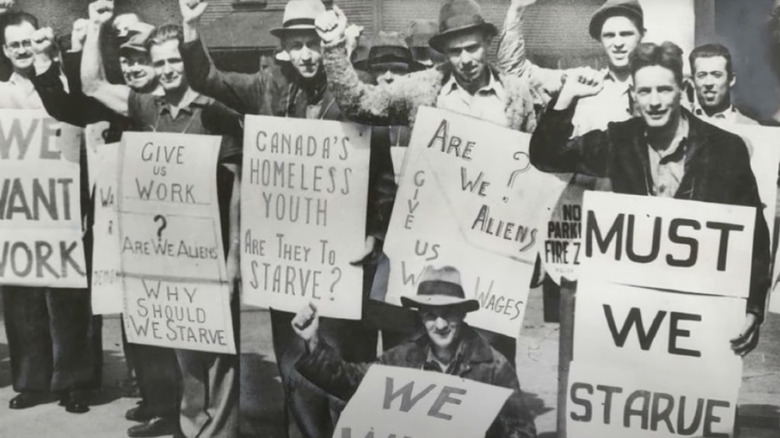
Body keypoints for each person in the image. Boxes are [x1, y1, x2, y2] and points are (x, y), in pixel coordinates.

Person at [179, 1, 379, 437]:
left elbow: (379, 171)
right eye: (298, 45)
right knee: (295, 366)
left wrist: (374, 235)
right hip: (287, 257)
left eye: (313, 43)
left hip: (341, 257)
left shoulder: (354, 87)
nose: (307, 54)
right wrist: (191, 28)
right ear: (284, 48)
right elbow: (206, 79)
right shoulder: (267, 86)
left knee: (345, 366)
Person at [529, 41, 770, 356]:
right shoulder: (618, 141)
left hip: (700, 313)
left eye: (664, 90)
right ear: (633, 94)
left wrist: (753, 308)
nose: (654, 102)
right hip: (634, 317)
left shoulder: (726, 149)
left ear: (683, 89)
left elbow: (754, 235)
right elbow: (546, 156)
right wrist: (566, 98)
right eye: (644, 92)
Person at [82, 18, 242, 438]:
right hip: (166, 255)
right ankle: (193, 428)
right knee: (183, 349)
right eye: (161, 62)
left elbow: (239, 191)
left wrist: (234, 260)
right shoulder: (146, 107)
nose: (169, 68)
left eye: (175, 59)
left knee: (218, 355)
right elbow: (92, 84)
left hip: (212, 252)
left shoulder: (216, 113)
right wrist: (98, 25)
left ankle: (222, 432)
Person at [291, 266, 537, 438]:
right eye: (431, 315)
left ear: (462, 314)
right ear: (420, 315)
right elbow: (350, 381)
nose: (440, 325)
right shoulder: (402, 360)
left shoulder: (494, 366)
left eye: (449, 313)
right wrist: (313, 339)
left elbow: (522, 431)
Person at [0, 10, 99, 414]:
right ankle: (32, 380)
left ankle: (74, 382)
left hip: (63, 202)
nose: (24, 50)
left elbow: (76, 120)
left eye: (30, 41)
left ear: (43, 40)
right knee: (22, 296)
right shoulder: (1, 92)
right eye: (16, 45)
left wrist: (50, 65)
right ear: (5, 51)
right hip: (18, 204)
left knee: (69, 296)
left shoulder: (61, 81)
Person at [314, 0, 542, 132]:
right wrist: (334, 45)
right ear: (443, 52)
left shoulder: (516, 93)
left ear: (487, 42)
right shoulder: (421, 90)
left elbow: (530, 157)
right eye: (455, 51)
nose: (465, 60)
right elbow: (360, 105)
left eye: (472, 48)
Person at [689, 43, 758, 126]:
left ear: (731, 79)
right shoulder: (679, 122)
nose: (708, 83)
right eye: (702, 75)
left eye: (717, 75)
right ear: (692, 81)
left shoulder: (751, 127)